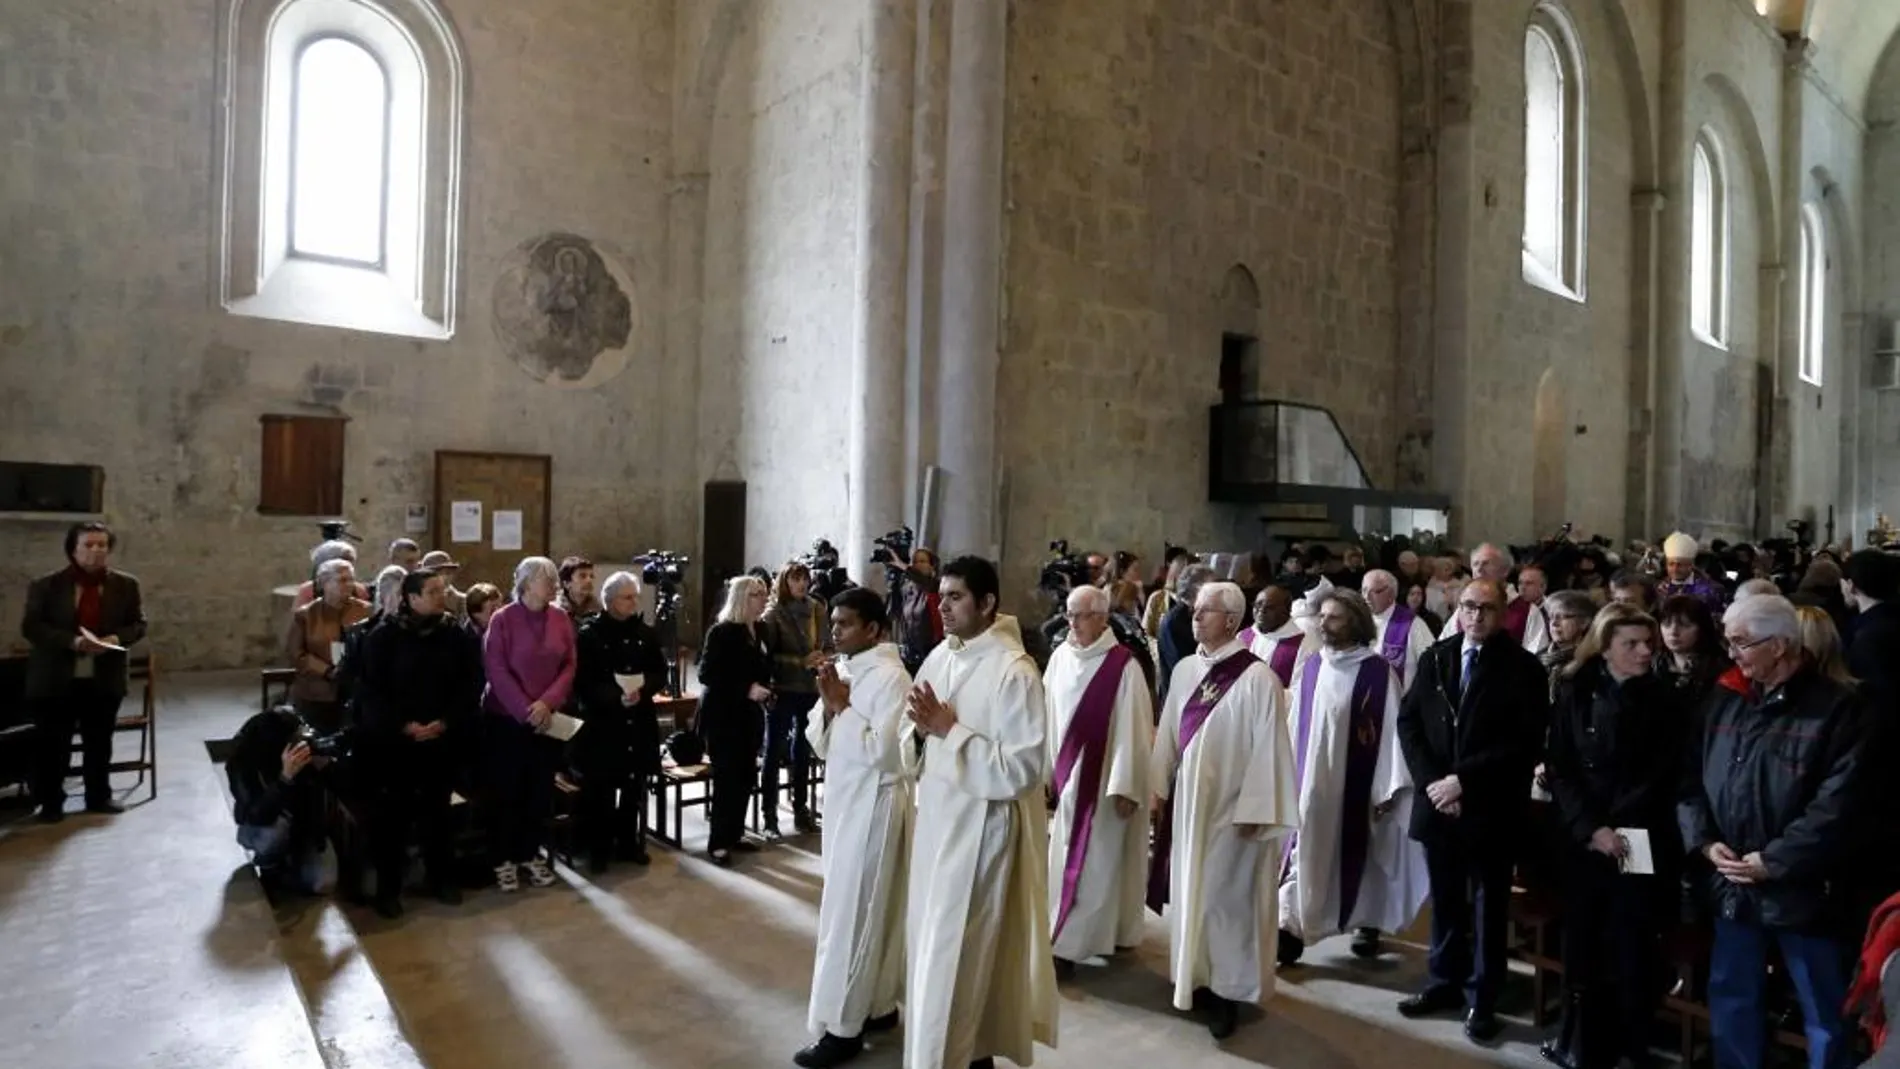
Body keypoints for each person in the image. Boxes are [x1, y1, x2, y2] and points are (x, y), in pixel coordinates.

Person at [1680, 593, 1864, 1069]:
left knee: (1823, 1010)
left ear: (1780, 645)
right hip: (1732, 880)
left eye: (1741, 642)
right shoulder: (1725, 697)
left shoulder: (1837, 710)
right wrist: (1704, 840)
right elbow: (1689, 776)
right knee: (1732, 995)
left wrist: (1774, 861)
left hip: (1802, 889)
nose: (1731, 652)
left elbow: (1838, 805)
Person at [901, 556, 1056, 1069]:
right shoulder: (941, 657)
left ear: (987, 603)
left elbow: (1023, 771)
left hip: (982, 832)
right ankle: (968, 1053)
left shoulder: (1015, 671)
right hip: (938, 825)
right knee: (936, 950)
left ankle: (956, 1055)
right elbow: (911, 735)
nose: (943, 606)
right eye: (941, 595)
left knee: (961, 955)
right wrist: (921, 733)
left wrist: (950, 731)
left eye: (956, 597)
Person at [1395, 578, 1547, 1043]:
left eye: (1485, 608)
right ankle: (1444, 981)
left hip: (1491, 807)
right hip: (1439, 802)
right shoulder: (1437, 658)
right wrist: (1434, 784)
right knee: (1444, 901)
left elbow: (1523, 742)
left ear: (1503, 612)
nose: (1475, 617)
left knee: (1487, 904)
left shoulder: (1523, 669)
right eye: (1467, 607)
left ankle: (1484, 993)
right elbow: (1410, 723)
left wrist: (1463, 781)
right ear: (1456, 609)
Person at [1149, 580, 1299, 1040]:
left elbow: (1270, 751)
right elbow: (1170, 733)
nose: (1195, 618)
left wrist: (1257, 810)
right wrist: (1158, 788)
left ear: (1232, 621)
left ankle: (1227, 992)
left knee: (1226, 904)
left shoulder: (1257, 679)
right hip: (1190, 808)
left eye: (1206, 612)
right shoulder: (1185, 670)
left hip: (1233, 814)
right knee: (1193, 892)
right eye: (1195, 611)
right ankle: (1191, 977)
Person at [1541, 604, 1680, 1069]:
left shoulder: (1663, 698)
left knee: (1632, 944)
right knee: (1582, 944)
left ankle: (1632, 1043)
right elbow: (1560, 765)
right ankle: (1581, 1044)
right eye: (1632, 644)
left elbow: (1665, 771)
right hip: (1586, 838)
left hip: (1639, 836)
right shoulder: (1575, 691)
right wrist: (1593, 828)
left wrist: (1618, 826)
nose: (1644, 651)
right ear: (1605, 649)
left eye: (1648, 643)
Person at [795, 589, 912, 1069]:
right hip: (847, 802)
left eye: (845, 624)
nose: (835, 632)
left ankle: (843, 1029)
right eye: (834, 623)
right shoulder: (846, 670)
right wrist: (828, 707)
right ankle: (878, 1005)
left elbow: (889, 753)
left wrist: (841, 707)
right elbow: (819, 743)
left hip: (876, 806)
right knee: (861, 910)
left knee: (856, 916)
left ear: (874, 630)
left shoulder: (891, 678)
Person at [1278, 589, 1426, 966]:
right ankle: (1291, 925)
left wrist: (1388, 788)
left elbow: (1394, 730)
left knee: (1361, 853)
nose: (1324, 625)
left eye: (1334, 618)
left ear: (1356, 624)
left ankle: (1366, 923)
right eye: (1322, 617)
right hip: (1311, 779)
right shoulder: (1313, 665)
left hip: (1358, 786)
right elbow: (1297, 722)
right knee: (1302, 844)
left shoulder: (1377, 674)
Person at [356, 568, 480, 916]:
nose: (443, 596)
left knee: (439, 814)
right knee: (392, 818)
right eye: (434, 592)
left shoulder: (453, 634)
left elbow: (470, 684)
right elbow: (371, 692)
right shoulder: (383, 638)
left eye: (443, 590)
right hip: (396, 745)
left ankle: (441, 878)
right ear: (411, 599)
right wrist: (404, 725)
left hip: (441, 740)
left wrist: (445, 722)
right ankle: (389, 890)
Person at [1043, 584, 1153, 974]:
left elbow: (1135, 730)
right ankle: (1070, 928)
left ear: (1103, 618)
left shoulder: (1123, 666)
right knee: (1069, 857)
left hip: (1105, 781)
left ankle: (1070, 946)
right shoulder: (1060, 658)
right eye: (1069, 614)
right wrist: (1045, 771)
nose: (1071, 623)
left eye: (1081, 615)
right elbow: (1049, 714)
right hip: (1067, 776)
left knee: (1096, 861)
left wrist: (1127, 783)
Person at [21, 521, 147, 822]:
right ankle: (51, 803)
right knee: (54, 745)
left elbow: (138, 624)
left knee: (99, 742)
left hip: (103, 677)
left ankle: (98, 796)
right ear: (73, 550)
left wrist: (116, 639)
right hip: (57, 678)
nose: (96, 551)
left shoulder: (125, 585)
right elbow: (32, 627)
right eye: (88, 545)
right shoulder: (47, 585)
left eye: (102, 545)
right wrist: (73, 641)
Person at [480, 556, 577, 893]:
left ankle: (528, 852)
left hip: (546, 721)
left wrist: (546, 704)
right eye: (546, 579)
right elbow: (496, 669)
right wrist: (525, 709)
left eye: (553, 578)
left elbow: (568, 665)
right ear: (525, 584)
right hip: (507, 720)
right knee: (508, 792)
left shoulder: (561, 618)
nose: (554, 584)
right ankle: (503, 858)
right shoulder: (503, 619)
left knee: (538, 790)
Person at [572, 571, 670, 873]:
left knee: (633, 788)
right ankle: (598, 849)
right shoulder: (590, 634)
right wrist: (615, 697)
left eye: (635, 596)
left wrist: (644, 689)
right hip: (604, 724)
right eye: (628, 597)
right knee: (600, 791)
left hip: (638, 721)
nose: (634, 602)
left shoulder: (645, 633)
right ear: (611, 600)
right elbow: (584, 681)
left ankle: (629, 844)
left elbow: (659, 671)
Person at [698, 575, 773, 866]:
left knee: (745, 776)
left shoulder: (761, 630)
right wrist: (745, 688)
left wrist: (767, 688)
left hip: (750, 715)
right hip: (723, 715)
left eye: (764, 593)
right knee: (727, 779)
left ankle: (735, 833)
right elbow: (707, 674)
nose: (763, 598)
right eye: (756, 594)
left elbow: (764, 666)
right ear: (742, 597)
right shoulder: (723, 632)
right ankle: (718, 841)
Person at [227, 705, 334, 895]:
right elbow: (257, 815)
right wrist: (285, 778)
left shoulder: (302, 747)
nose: (298, 745)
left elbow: (317, 803)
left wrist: (324, 768)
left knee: (323, 883)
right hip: (259, 828)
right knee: (275, 831)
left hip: (301, 829)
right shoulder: (242, 762)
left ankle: (288, 867)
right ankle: (270, 866)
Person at [762, 561, 829, 837]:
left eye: (804, 579)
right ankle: (769, 815)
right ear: (785, 582)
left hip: (809, 689)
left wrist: (822, 656)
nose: (801, 584)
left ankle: (801, 808)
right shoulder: (774, 613)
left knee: (802, 749)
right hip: (783, 687)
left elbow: (826, 642)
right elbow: (767, 656)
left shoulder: (816, 608)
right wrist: (800, 661)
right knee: (774, 749)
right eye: (795, 579)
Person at [282, 558, 371, 733]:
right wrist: (327, 670)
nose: (349, 584)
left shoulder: (366, 610)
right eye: (342, 580)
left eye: (351, 579)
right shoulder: (306, 615)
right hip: (317, 691)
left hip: (356, 689)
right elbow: (296, 653)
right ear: (324, 583)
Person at [1362, 568, 1434, 692]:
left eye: (1375, 591)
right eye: (1364, 590)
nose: (1366, 597)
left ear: (1392, 594)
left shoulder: (1413, 624)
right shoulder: (1358, 621)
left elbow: (1432, 666)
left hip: (1400, 703)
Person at [1653, 594, 1728, 707]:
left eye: (1684, 625)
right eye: (1666, 624)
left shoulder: (1719, 670)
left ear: (1702, 628)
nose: (1673, 632)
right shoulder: (1654, 665)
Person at [1246, 584, 1310, 690]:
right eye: (1257, 605)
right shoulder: (1243, 637)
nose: (1261, 610)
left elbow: (1298, 691)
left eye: (1270, 607)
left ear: (1286, 611)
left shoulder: (1302, 645)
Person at [897, 547, 943, 676]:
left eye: (922, 561)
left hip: (931, 650)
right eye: (914, 561)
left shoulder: (936, 585)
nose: (917, 565)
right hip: (910, 651)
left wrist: (902, 566)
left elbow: (925, 582)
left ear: (932, 566)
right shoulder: (906, 589)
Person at [1657, 532, 1728, 613]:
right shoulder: (1660, 587)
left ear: (1691, 565)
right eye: (1671, 564)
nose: (1675, 569)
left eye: (1680, 565)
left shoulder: (1711, 590)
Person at [418, 550, 466, 619]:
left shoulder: (463, 602)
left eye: (448, 573)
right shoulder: (415, 600)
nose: (444, 578)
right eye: (438, 573)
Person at [556, 555, 600, 619]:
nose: (589, 580)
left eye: (591, 576)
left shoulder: (598, 610)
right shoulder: (555, 610)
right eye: (582, 576)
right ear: (567, 583)